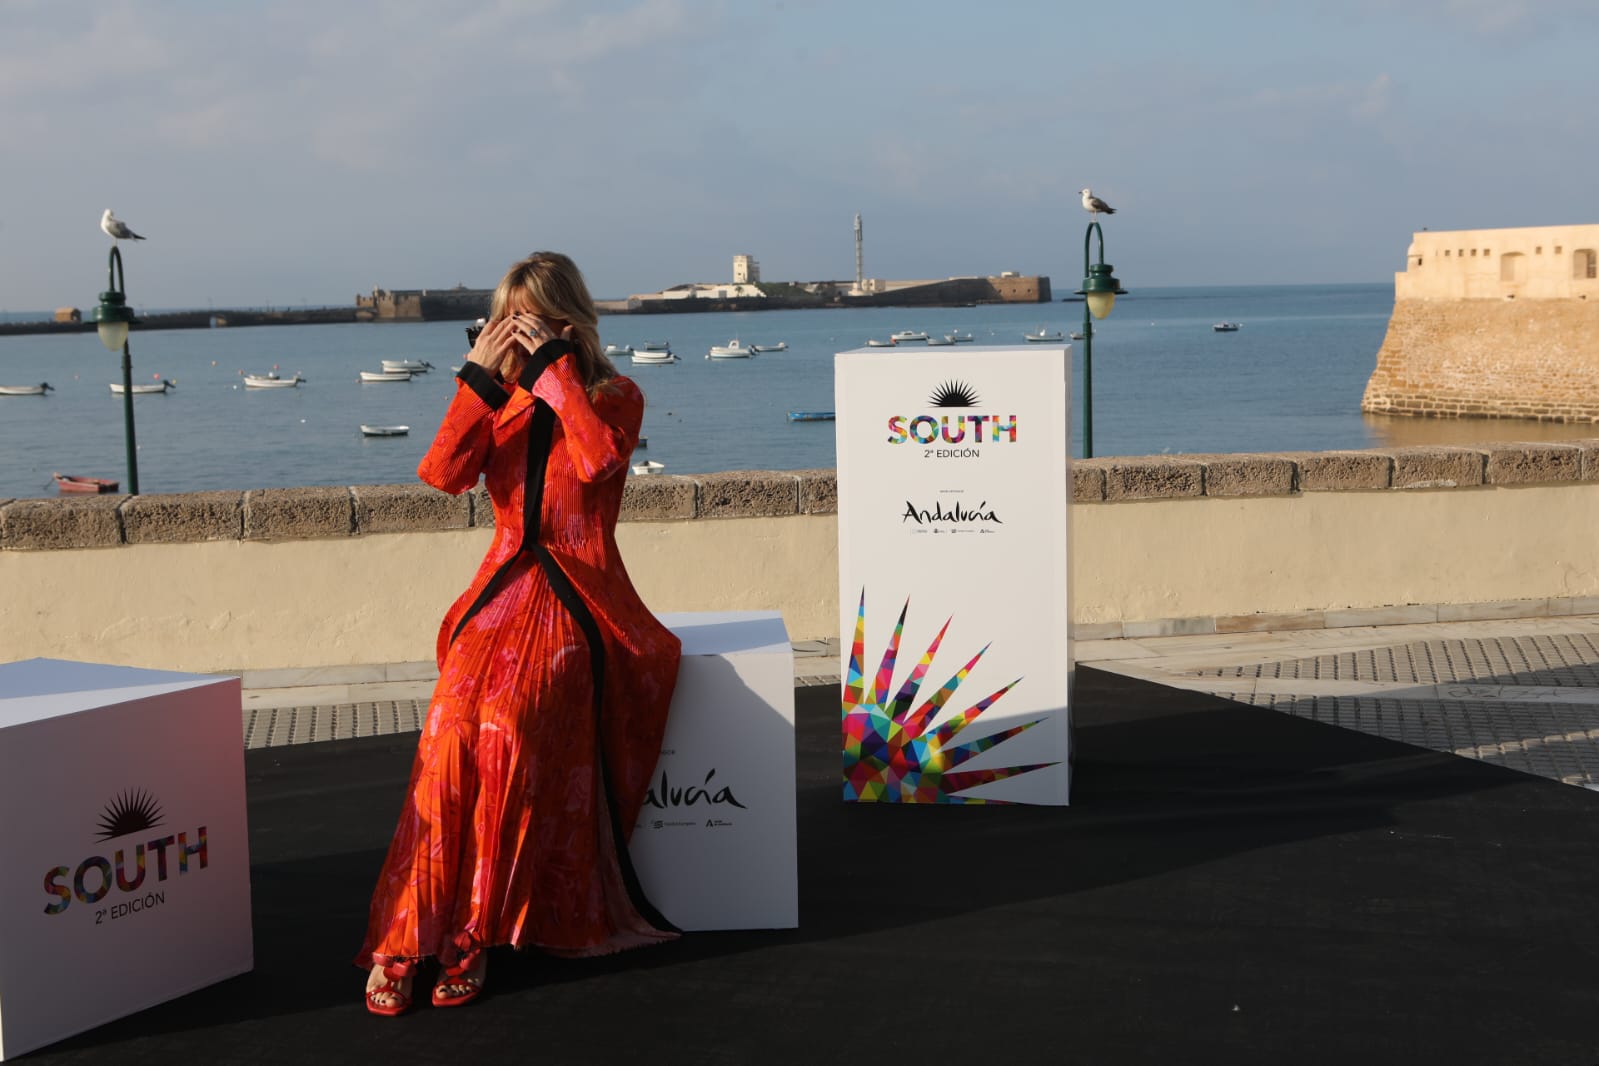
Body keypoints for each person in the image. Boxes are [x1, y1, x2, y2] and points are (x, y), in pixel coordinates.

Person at [358, 251, 681, 1016]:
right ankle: (410, 933)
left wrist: (554, 369)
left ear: (565, 322)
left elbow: (598, 462)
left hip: (580, 596)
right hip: (499, 592)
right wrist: (476, 376)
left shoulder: (612, 394)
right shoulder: (492, 398)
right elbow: (439, 474)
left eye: (525, 320)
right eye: (500, 319)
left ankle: (475, 932)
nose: (508, 334)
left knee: (508, 732)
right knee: (447, 734)